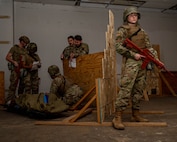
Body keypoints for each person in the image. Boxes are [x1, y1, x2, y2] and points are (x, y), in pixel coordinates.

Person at [112, 6, 164, 130]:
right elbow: (118, 46)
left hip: (143, 63)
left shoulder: (142, 31)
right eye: (131, 15)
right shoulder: (123, 30)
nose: (134, 17)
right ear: (126, 17)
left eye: (135, 15)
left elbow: (149, 47)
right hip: (131, 62)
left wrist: (156, 60)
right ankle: (117, 116)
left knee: (139, 89)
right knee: (126, 88)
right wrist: (132, 54)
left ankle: (135, 114)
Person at [5, 35, 31, 106]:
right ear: (22, 41)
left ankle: (20, 100)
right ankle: (9, 101)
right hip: (16, 70)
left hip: (23, 70)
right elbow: (7, 57)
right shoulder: (14, 48)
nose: (26, 44)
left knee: (23, 86)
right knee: (13, 86)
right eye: (25, 43)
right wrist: (14, 62)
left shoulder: (25, 50)